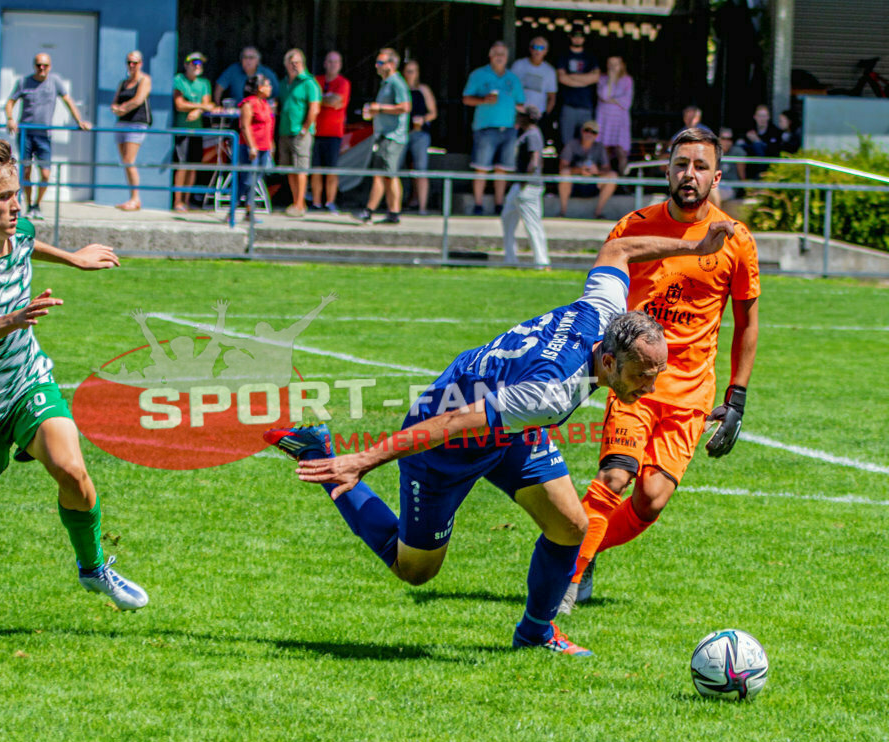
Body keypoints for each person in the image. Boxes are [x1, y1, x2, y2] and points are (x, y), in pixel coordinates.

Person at [265, 222, 735, 655]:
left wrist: (697, 247)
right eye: (642, 377)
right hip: (447, 435)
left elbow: (619, 247)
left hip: (508, 424)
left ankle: (536, 633)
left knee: (571, 526)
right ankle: (322, 455)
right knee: (416, 570)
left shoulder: (605, 312)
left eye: (656, 375)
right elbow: (452, 425)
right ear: (608, 363)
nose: (650, 389)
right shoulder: (551, 391)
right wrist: (361, 460)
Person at [0, 138, 148, 616]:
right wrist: (13, 318)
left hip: (27, 382)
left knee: (72, 471)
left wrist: (75, 258)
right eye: (2, 196)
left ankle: (92, 567)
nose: (15, 204)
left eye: (16, 192)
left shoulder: (20, 229)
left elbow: (30, 240)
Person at [558, 127, 760, 615]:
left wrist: (736, 399)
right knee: (615, 477)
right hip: (632, 386)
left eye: (699, 166)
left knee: (650, 500)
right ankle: (565, 581)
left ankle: (583, 545)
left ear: (716, 176)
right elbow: (600, 297)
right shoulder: (632, 227)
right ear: (666, 169)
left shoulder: (736, 241)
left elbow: (747, 321)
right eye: (680, 164)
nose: (688, 174)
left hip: (691, 392)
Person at [5, 52, 92, 220]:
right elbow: (10, 102)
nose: (42, 68)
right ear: (34, 66)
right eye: (38, 65)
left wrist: (79, 120)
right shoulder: (24, 82)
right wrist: (10, 119)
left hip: (44, 135)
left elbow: (68, 100)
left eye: (45, 65)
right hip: (26, 134)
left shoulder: (55, 81)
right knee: (26, 171)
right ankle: (29, 205)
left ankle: (37, 204)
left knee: (45, 173)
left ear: (50, 67)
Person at [462, 41, 525, 215]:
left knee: (502, 169)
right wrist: (483, 100)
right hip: (485, 128)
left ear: (507, 57)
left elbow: (520, 103)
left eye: (502, 54)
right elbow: (466, 99)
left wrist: (520, 122)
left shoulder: (513, 78)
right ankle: (478, 204)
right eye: (496, 53)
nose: (499, 57)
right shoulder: (478, 75)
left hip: (509, 129)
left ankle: (499, 204)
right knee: (481, 167)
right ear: (490, 56)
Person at [353, 48, 411, 225]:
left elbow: (405, 107)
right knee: (384, 174)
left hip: (393, 137)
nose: (376, 66)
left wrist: (379, 109)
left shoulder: (396, 83)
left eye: (380, 62)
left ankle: (373, 211)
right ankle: (388, 213)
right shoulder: (385, 83)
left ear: (392, 64)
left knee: (387, 174)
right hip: (384, 135)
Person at [501, 108, 549, 267]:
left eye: (520, 116)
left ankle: (541, 262)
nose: (517, 118)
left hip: (527, 186)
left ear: (527, 118)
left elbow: (534, 160)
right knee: (507, 219)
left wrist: (524, 181)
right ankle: (510, 259)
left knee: (533, 225)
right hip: (518, 185)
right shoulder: (525, 133)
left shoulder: (533, 134)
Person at [277, 48, 321, 217]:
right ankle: (295, 201)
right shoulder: (284, 83)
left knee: (301, 168)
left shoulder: (309, 83)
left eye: (298, 62)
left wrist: (305, 128)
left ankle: (300, 203)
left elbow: (314, 108)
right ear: (286, 65)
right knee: (289, 169)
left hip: (300, 133)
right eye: (291, 63)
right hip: (285, 130)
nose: (295, 66)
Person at [172, 51, 216, 212]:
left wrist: (198, 110)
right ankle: (177, 201)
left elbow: (208, 104)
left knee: (193, 166)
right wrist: (199, 107)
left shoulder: (204, 83)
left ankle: (187, 200)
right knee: (182, 165)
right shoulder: (179, 80)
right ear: (186, 65)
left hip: (197, 130)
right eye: (194, 63)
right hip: (183, 129)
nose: (197, 67)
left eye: (200, 64)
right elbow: (179, 104)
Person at [310, 51, 351, 213]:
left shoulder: (343, 83)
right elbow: (311, 100)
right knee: (316, 169)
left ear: (340, 65)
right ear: (325, 63)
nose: (333, 65)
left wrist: (320, 98)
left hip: (334, 132)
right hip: (315, 131)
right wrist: (326, 98)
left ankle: (330, 202)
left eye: (336, 62)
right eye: (330, 61)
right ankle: (316, 202)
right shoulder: (316, 81)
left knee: (332, 169)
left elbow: (336, 101)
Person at [111, 50, 152, 211]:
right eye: (129, 62)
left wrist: (122, 109)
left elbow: (138, 100)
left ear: (140, 64)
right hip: (122, 123)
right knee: (125, 162)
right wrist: (116, 109)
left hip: (137, 123)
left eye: (135, 62)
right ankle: (131, 197)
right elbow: (115, 101)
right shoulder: (123, 83)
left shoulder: (144, 80)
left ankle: (136, 199)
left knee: (129, 160)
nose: (132, 65)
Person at [557, 119, 618, 219]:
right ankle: (563, 211)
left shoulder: (600, 147)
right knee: (564, 173)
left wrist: (596, 171)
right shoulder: (572, 145)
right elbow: (562, 167)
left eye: (593, 132)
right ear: (582, 131)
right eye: (587, 130)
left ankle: (598, 213)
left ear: (597, 135)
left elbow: (607, 169)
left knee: (612, 176)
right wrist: (579, 170)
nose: (589, 134)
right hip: (574, 184)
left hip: (593, 184)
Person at [401, 59, 438, 215]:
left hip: (419, 134)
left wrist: (422, 119)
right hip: (401, 134)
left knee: (420, 170)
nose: (410, 74)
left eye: (413, 71)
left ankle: (422, 207)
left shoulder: (423, 90)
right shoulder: (400, 89)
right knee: (397, 170)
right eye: (408, 71)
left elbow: (433, 113)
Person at [238, 74, 275, 222]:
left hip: (264, 147)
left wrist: (271, 144)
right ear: (260, 87)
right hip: (251, 148)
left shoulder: (265, 104)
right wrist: (252, 146)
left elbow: (268, 125)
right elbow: (245, 126)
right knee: (246, 180)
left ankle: (249, 211)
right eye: (267, 85)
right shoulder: (249, 103)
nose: (270, 88)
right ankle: (232, 210)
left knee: (255, 180)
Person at [556, 24, 600, 145]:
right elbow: (562, 78)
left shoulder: (590, 57)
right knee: (566, 143)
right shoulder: (564, 55)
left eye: (581, 36)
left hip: (586, 106)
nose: (578, 39)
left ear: (584, 38)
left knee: (586, 143)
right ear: (570, 36)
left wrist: (573, 78)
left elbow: (596, 77)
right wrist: (585, 80)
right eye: (575, 35)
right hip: (568, 106)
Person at [511, 36, 557, 137]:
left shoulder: (550, 71)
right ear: (530, 49)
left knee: (534, 148)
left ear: (546, 51)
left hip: (537, 116)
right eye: (535, 47)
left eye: (541, 48)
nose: (537, 51)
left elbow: (552, 97)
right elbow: (509, 88)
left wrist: (544, 115)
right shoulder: (519, 65)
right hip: (517, 114)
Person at [596, 56, 633, 174]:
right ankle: (605, 179)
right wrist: (611, 80)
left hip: (620, 120)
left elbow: (626, 102)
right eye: (610, 64)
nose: (612, 67)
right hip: (604, 118)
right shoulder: (602, 79)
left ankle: (624, 181)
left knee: (621, 150)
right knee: (604, 150)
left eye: (615, 64)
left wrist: (611, 99)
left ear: (621, 65)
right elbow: (603, 95)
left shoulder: (627, 80)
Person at [214, 47, 280, 108]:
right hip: (236, 114)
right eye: (244, 57)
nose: (247, 60)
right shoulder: (233, 70)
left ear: (258, 61)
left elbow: (276, 95)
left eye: (251, 58)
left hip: (260, 114)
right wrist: (218, 105)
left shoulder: (267, 73)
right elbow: (219, 87)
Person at [708, 127, 740, 207]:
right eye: (723, 138)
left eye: (729, 139)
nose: (726, 141)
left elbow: (742, 175)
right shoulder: (714, 152)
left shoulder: (737, 152)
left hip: (731, 187)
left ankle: (716, 217)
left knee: (713, 191)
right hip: (717, 184)